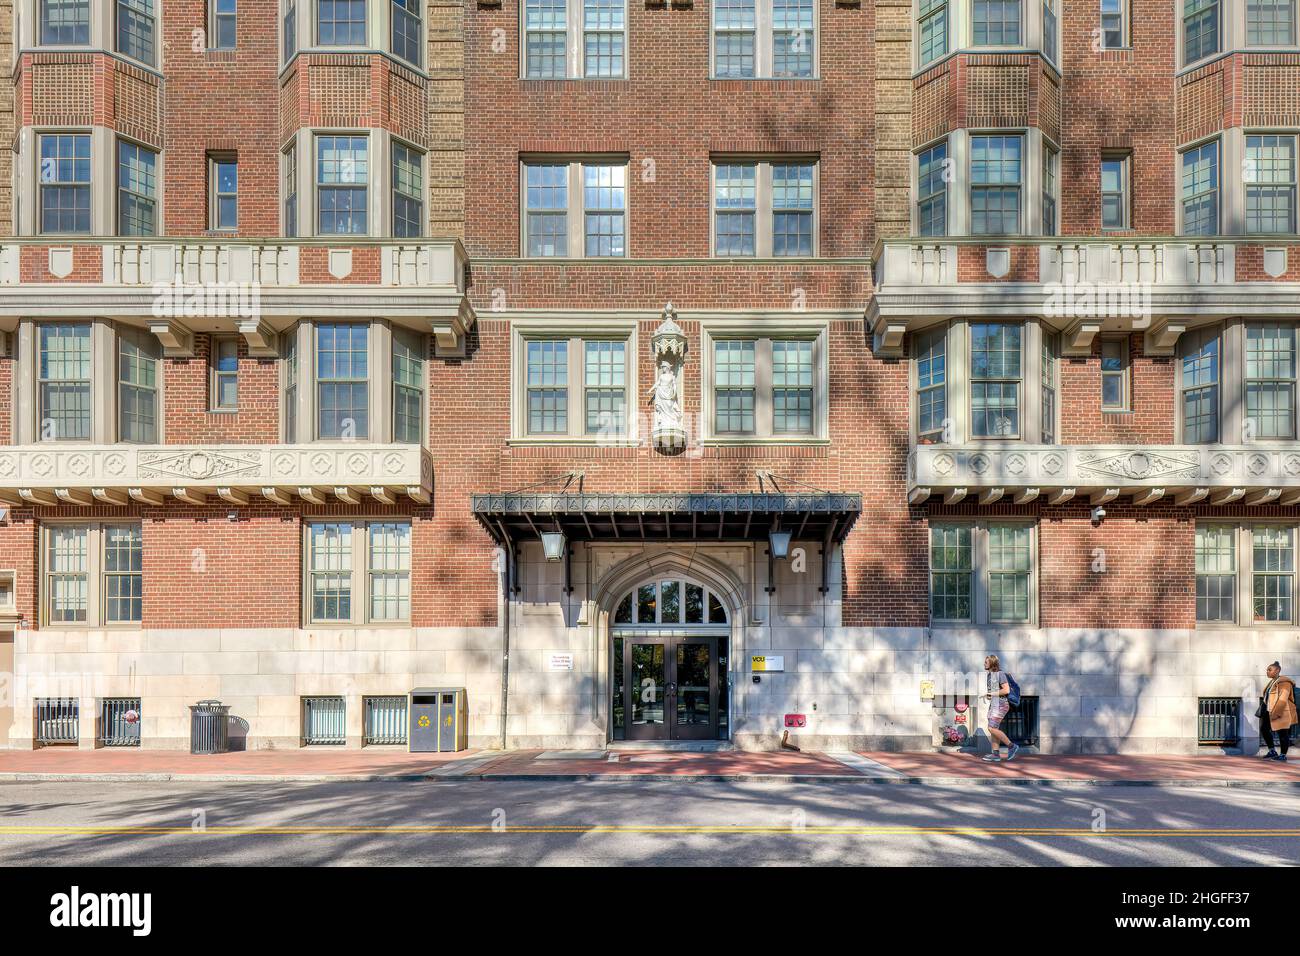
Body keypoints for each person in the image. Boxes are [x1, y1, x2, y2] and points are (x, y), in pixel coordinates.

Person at [982, 654, 1019, 762]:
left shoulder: (1000, 674)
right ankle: (995, 754)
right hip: (994, 704)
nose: (984, 664)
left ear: (992, 663)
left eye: (986, 662)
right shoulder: (990, 675)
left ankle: (1012, 746)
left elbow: (1006, 690)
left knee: (991, 728)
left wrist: (992, 693)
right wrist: (990, 695)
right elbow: (995, 692)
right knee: (994, 729)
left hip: (1001, 704)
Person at [1259, 662, 1296, 763]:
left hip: (1281, 711)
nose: (1267, 672)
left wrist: (1276, 713)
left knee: (1282, 733)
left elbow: (1282, 699)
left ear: (1277, 670)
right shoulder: (1273, 682)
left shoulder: (1284, 682)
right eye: (1267, 670)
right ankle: (1272, 751)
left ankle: (1283, 755)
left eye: (1269, 670)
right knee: (1264, 729)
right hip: (1269, 710)